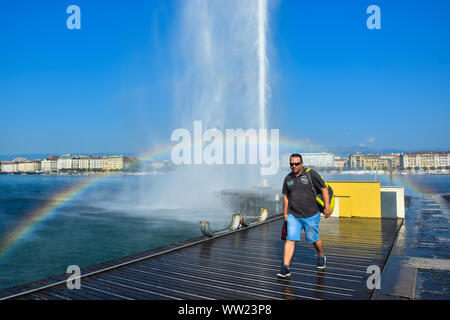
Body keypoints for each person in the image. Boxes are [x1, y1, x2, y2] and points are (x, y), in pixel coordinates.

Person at [277, 153, 331, 278]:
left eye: (296, 164)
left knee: (314, 239)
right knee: (290, 239)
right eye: (292, 164)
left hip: (311, 214)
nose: (294, 166)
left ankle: (321, 255)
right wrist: (285, 213)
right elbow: (286, 196)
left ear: (302, 164)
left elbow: (324, 189)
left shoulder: (311, 174)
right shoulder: (288, 179)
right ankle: (286, 267)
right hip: (294, 215)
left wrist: (327, 207)